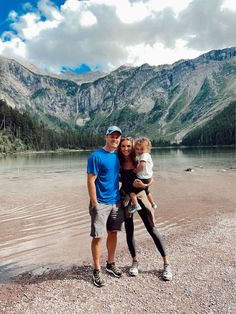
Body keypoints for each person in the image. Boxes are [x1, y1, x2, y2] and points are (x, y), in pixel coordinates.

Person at [118, 136, 172, 280]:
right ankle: (135, 262)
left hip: (141, 195)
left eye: (128, 146)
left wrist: (146, 185)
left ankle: (166, 263)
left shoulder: (139, 158)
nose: (126, 149)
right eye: (123, 146)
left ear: (133, 146)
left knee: (152, 228)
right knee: (129, 231)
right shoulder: (118, 161)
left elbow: (150, 176)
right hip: (126, 198)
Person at [87, 126, 124, 287]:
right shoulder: (96, 156)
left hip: (116, 202)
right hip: (100, 203)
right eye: (112, 136)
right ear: (106, 137)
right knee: (98, 236)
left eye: (117, 137)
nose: (115, 139)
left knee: (113, 234)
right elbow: (90, 181)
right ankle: (96, 269)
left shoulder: (117, 157)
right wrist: (95, 203)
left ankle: (110, 263)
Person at [128, 137, 157, 213]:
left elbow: (142, 165)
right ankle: (153, 204)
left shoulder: (144, 155)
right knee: (147, 191)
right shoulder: (148, 156)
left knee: (131, 191)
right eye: (137, 149)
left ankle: (136, 205)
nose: (139, 151)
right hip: (148, 178)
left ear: (147, 148)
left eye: (142, 149)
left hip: (142, 178)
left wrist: (136, 170)